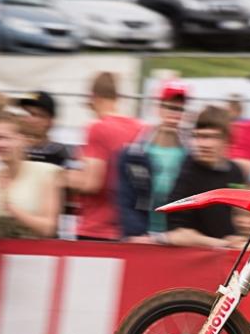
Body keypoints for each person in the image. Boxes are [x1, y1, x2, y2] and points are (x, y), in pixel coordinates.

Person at [67, 72, 144, 241]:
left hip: (95, 228)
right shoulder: (140, 128)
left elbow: (91, 184)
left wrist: (61, 177)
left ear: (94, 98)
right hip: (128, 228)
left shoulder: (97, 128)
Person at [166, 106, 247, 249]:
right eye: (198, 136)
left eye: (213, 137)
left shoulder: (236, 172)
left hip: (230, 256)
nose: (203, 144)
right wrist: (223, 244)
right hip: (195, 256)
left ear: (227, 140)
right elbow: (177, 234)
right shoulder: (187, 173)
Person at [118, 80, 189, 240]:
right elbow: (126, 200)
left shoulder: (189, 155)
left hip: (173, 238)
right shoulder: (135, 153)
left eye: (180, 109)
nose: (174, 114)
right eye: (170, 107)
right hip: (141, 236)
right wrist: (137, 234)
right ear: (159, 108)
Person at [0, 112, 61, 242]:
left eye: (2, 138)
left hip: (32, 252)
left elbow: (48, 229)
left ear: (23, 140)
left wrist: (12, 210)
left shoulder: (45, 172)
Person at [18, 91, 73, 168]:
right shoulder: (9, 148)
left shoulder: (59, 152)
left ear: (50, 121)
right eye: (23, 113)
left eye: (34, 114)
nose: (25, 118)